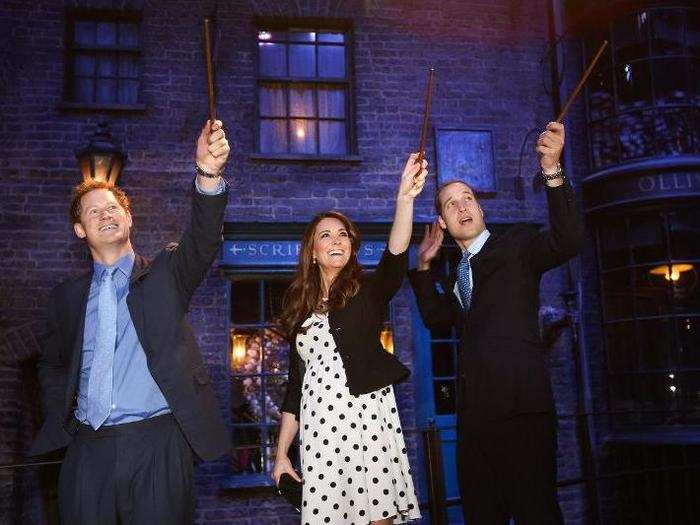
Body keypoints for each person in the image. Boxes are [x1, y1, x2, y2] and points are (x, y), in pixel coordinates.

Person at [28, 120, 232, 524]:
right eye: (94, 211)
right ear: (80, 229)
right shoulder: (66, 298)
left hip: (158, 444)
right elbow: (51, 364)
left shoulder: (165, 275)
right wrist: (61, 415)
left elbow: (203, 239)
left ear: (128, 218)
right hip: (88, 450)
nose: (106, 214)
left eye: (113, 208)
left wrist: (208, 174)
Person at [408, 122, 582, 524]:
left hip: (523, 415)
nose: (463, 206)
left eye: (468, 198)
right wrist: (422, 267)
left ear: (481, 209)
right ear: (443, 222)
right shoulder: (457, 278)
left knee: (536, 513)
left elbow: (568, 240)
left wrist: (553, 170)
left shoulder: (517, 246)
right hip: (474, 424)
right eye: (451, 204)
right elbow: (436, 321)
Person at [273, 153, 427, 525]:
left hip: (366, 418)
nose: (336, 239)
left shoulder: (367, 293)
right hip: (320, 429)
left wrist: (404, 199)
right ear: (312, 252)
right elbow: (295, 388)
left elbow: (394, 260)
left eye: (343, 234)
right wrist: (280, 455)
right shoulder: (298, 309)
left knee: (378, 519)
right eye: (326, 235)